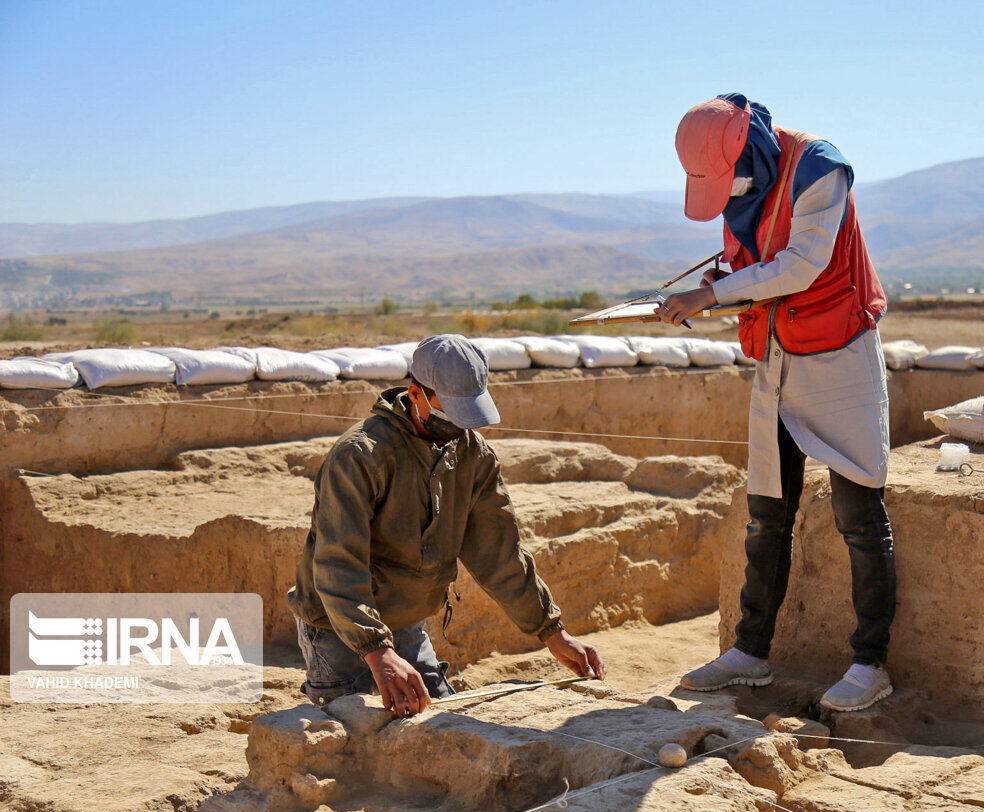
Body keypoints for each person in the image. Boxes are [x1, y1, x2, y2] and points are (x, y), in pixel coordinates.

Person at [657, 93, 895, 711]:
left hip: (837, 356)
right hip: (779, 358)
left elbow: (801, 265)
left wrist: (711, 299)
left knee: (859, 516)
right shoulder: (742, 184)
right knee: (767, 515)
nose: (733, 193)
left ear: (752, 151)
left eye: (735, 179)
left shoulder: (820, 168)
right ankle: (750, 653)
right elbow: (751, 263)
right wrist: (713, 288)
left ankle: (871, 663)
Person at [287, 334, 605, 717]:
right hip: (338, 627)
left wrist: (552, 632)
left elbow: (499, 553)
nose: (459, 425)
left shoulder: (473, 455)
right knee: (349, 740)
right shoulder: (361, 456)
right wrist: (377, 651)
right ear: (416, 394)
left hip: (406, 621)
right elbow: (338, 563)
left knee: (437, 718)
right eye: (449, 411)